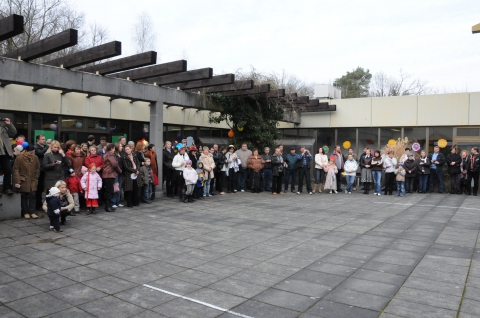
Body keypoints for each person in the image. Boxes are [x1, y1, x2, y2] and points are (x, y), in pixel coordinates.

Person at [13, 144, 40, 219]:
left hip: (33, 180)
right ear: (26, 151)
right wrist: (17, 181)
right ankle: (25, 212)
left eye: (33, 152)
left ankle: (32, 212)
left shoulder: (35, 157)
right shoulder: (20, 158)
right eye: (31, 152)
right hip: (23, 180)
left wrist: (36, 177)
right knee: (24, 196)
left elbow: (38, 168)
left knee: (32, 195)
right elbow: (15, 170)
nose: (32, 154)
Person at [103, 143, 122, 211]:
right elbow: (114, 164)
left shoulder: (107, 154)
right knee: (109, 191)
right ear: (111, 148)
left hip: (108, 175)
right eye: (113, 148)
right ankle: (107, 206)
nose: (114, 149)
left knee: (110, 190)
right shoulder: (110, 155)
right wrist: (120, 171)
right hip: (109, 175)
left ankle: (108, 206)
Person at [0, 117, 17, 195]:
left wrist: (9, 124)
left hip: (4, 152)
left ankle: (7, 188)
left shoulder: (4, 127)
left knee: (8, 169)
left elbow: (13, 133)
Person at [34, 134, 49, 209]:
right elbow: (40, 153)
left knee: (44, 187)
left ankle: (45, 204)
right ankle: (38, 204)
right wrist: (47, 146)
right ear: (38, 140)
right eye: (42, 139)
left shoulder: (44, 147)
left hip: (45, 169)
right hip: (40, 169)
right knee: (39, 188)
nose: (44, 140)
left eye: (44, 139)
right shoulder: (35, 147)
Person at [111, 143, 124, 208]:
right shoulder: (114, 155)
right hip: (115, 173)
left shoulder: (121, 154)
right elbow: (114, 165)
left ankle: (118, 202)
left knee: (119, 188)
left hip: (121, 173)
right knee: (115, 188)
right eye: (120, 146)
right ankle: (113, 202)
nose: (122, 147)